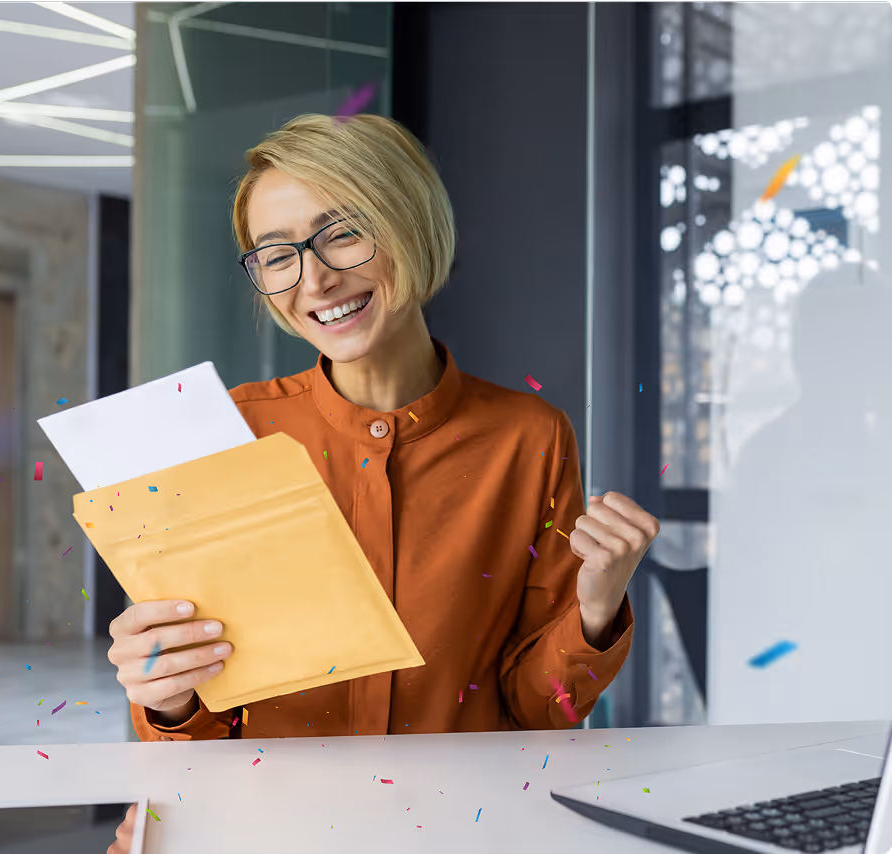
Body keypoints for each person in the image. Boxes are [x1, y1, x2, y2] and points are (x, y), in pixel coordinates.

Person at [106, 112, 659, 746]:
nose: (313, 280)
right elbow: (190, 728)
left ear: (412, 224)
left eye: (340, 234)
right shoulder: (226, 432)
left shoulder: (531, 437)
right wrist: (170, 698)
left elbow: (537, 709)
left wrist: (596, 610)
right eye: (277, 254)